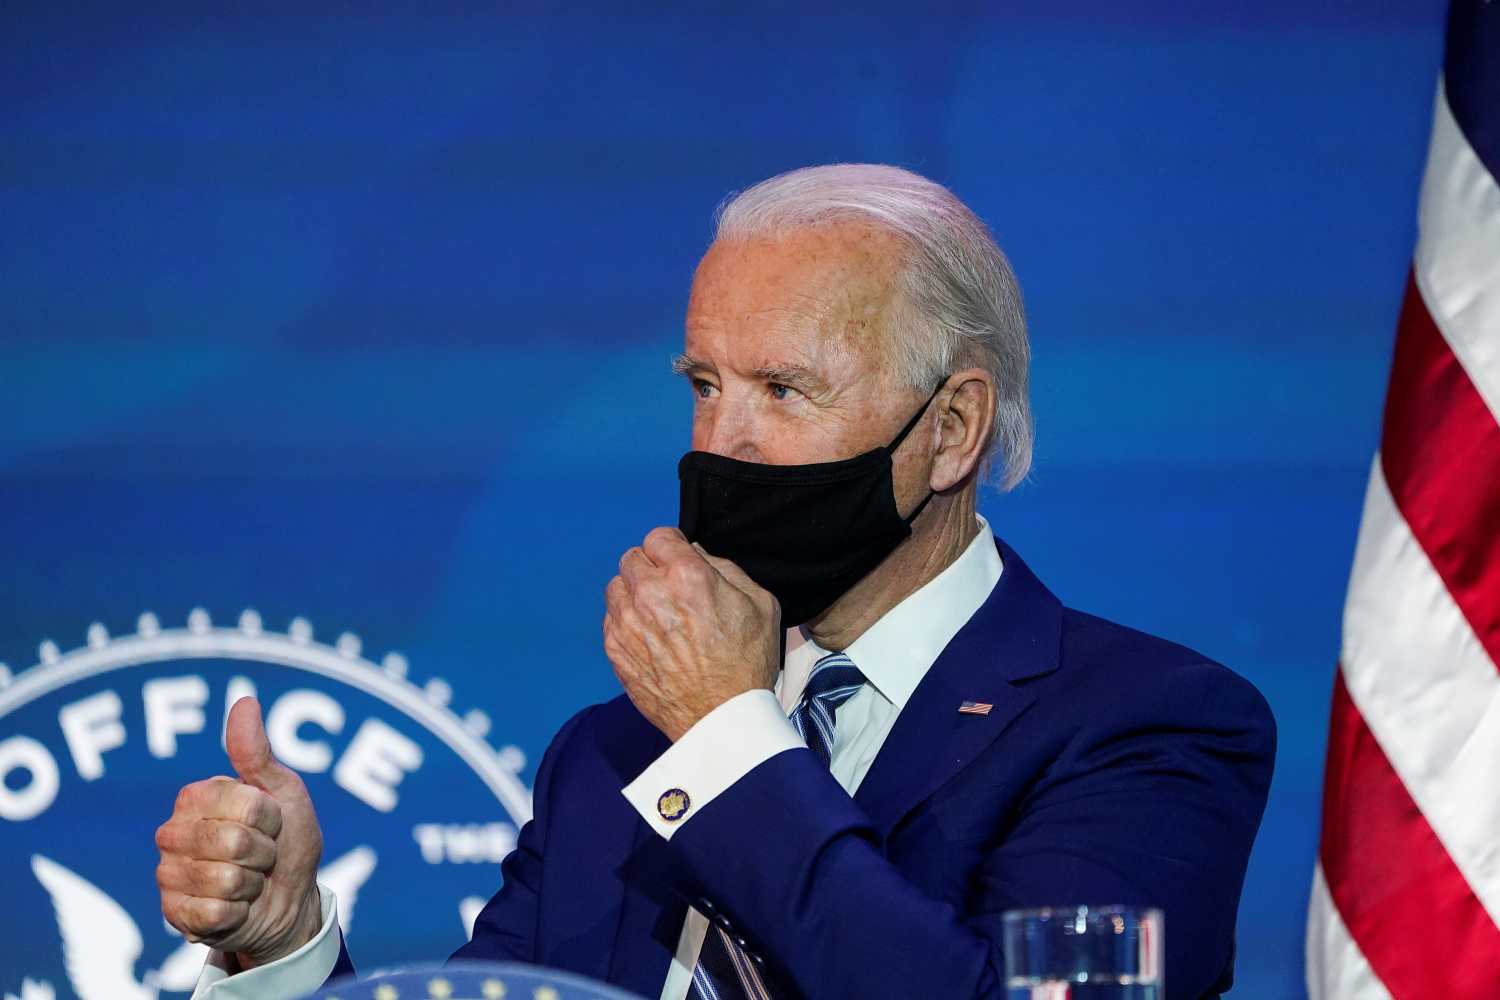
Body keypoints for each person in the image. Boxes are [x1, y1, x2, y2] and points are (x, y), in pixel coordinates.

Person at [156, 164, 1275, 1000]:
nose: (720, 443)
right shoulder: (611, 753)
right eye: (703, 382)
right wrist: (286, 943)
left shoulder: (1145, 726)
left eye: (784, 390)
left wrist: (728, 741)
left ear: (951, 430)